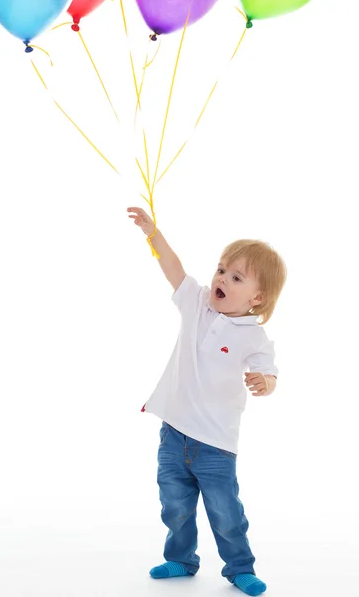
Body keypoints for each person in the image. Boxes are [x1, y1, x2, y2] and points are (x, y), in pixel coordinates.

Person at [127, 206, 287, 596]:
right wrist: (153, 234)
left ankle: (238, 568)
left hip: (215, 446)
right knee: (174, 506)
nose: (221, 279)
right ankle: (182, 558)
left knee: (226, 514)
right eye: (221, 270)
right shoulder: (197, 304)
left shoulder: (253, 337)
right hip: (175, 434)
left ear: (258, 296)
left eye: (236, 277)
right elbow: (173, 268)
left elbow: (270, 373)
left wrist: (264, 382)